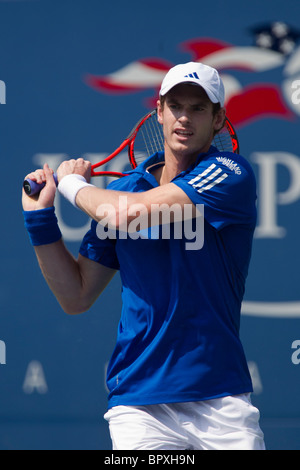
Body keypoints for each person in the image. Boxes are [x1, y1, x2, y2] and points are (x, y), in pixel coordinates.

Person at [23, 62, 265, 450]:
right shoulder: (131, 187)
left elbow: (122, 213)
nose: (184, 118)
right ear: (159, 112)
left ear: (219, 119)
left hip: (221, 401)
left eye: (199, 109)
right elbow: (76, 295)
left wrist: (70, 184)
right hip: (139, 406)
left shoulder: (230, 172)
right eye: (175, 106)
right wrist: (39, 218)